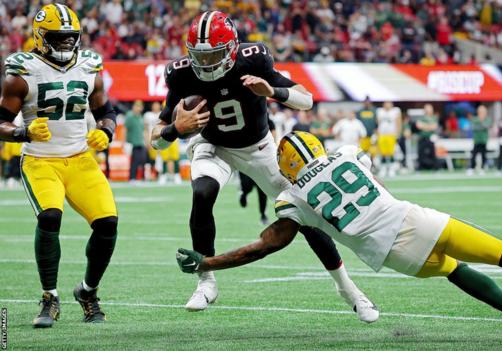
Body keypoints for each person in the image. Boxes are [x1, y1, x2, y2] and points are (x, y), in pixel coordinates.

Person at [177, 131, 502, 340]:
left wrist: (209, 263)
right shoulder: (346, 154)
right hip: (415, 220)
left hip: (393, 257)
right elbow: (367, 171)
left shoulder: (292, 200)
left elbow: (266, 245)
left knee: (452, 269)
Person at [150, 11, 377, 322]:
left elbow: (306, 99)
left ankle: (348, 289)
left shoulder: (254, 59)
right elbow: (155, 141)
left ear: (231, 49)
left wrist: (273, 92)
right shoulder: (180, 74)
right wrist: (174, 129)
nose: (206, 64)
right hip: (212, 145)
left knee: (306, 213)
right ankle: (206, 282)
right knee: (202, 194)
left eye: (214, 55)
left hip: (258, 148)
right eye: (199, 57)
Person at [0, 4, 118, 327]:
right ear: (41, 38)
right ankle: (49, 296)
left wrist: (105, 132)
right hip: (40, 161)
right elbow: (0, 123)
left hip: (80, 158)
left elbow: (108, 110)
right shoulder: (21, 73)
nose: (67, 45)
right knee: (50, 218)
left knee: (108, 223)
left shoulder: (90, 65)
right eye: (59, 38)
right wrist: (23, 132)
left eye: (71, 38)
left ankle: (88, 291)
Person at [376, 101, 402, 177]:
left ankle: (391, 168)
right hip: (382, 134)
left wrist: (398, 133)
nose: (387, 105)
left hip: (391, 134)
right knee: (383, 152)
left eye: (389, 103)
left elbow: (398, 122)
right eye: (386, 103)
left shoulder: (395, 111)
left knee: (391, 152)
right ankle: (383, 168)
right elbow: (378, 122)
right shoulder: (380, 111)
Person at [125, 100, 147, 181]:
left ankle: (142, 177)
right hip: (132, 142)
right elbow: (125, 128)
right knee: (134, 161)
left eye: (140, 106)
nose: (139, 108)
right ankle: (132, 178)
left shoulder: (140, 116)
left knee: (143, 160)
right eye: (137, 106)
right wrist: (124, 142)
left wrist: (146, 141)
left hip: (141, 142)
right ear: (134, 106)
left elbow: (143, 130)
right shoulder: (130, 116)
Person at [468, 105, 492, 175]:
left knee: (484, 155)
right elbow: (474, 127)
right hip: (477, 140)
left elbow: (486, 126)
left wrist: (481, 124)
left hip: (484, 140)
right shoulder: (475, 119)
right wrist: (481, 124)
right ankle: (472, 168)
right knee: (474, 155)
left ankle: (482, 168)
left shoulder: (487, 119)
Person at [415, 103, 438, 170]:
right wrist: (429, 126)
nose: (428, 110)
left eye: (430, 108)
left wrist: (425, 126)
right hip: (422, 138)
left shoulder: (434, 117)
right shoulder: (421, 117)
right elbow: (419, 125)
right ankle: (419, 168)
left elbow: (434, 127)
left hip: (430, 138)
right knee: (420, 153)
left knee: (433, 153)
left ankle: (435, 168)